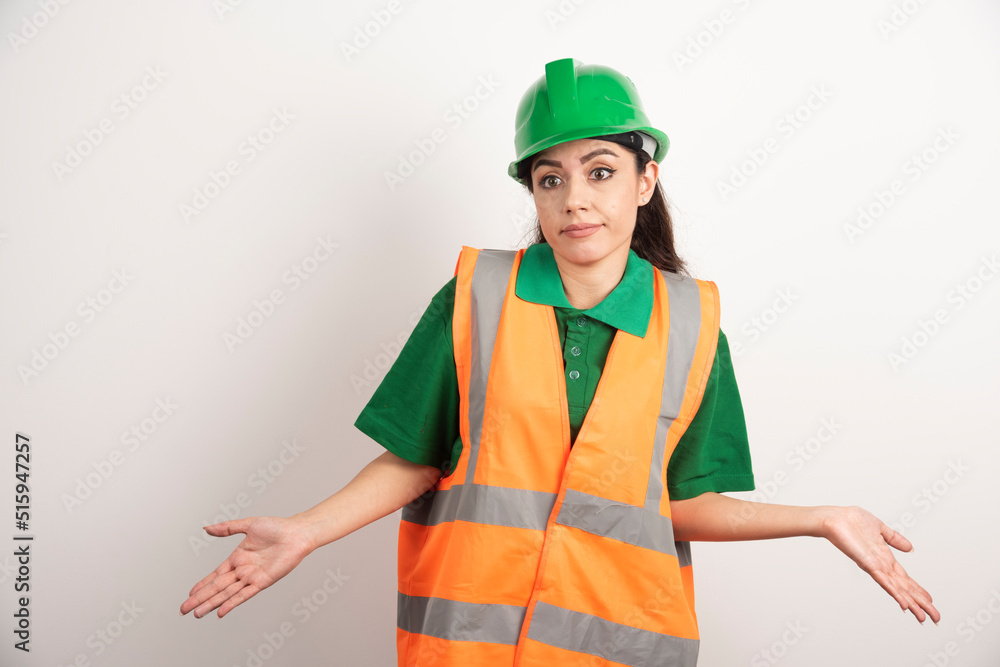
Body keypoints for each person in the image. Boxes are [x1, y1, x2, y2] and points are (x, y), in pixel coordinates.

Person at [180, 58, 939, 666]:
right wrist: (309, 529)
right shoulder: (476, 297)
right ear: (534, 194)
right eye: (552, 178)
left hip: (619, 647)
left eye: (601, 170)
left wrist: (821, 518)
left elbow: (680, 503)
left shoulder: (693, 326)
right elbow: (415, 458)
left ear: (645, 181)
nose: (576, 198)